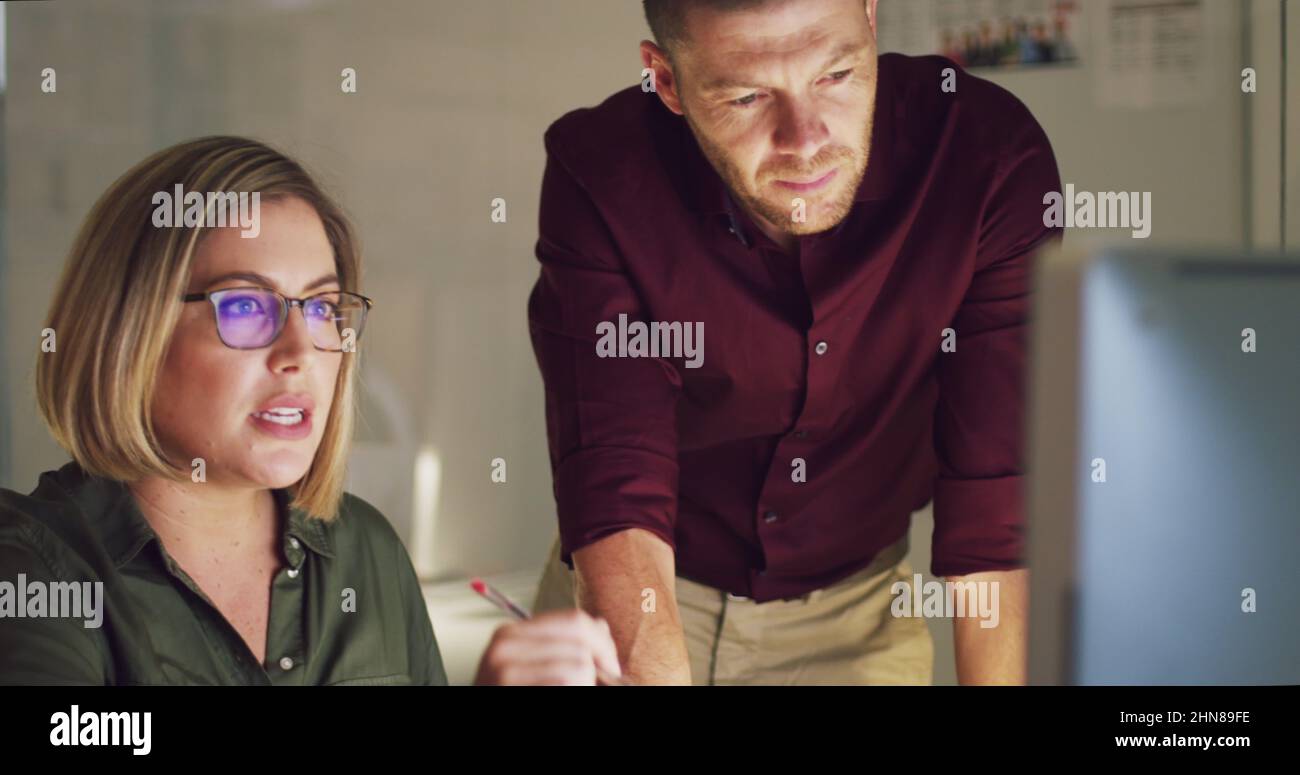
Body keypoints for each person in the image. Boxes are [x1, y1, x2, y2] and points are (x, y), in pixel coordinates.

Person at [528, 0, 1061, 684]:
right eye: (749, 96)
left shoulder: (987, 159)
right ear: (664, 80)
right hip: (642, 591)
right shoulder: (601, 173)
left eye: (835, 75)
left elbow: (994, 506)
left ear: (870, 16)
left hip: (854, 613)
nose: (806, 140)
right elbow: (615, 484)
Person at [0, 136, 621, 686]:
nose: (301, 352)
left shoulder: (365, 548)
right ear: (128, 333)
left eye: (323, 309)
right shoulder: (34, 571)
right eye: (245, 308)